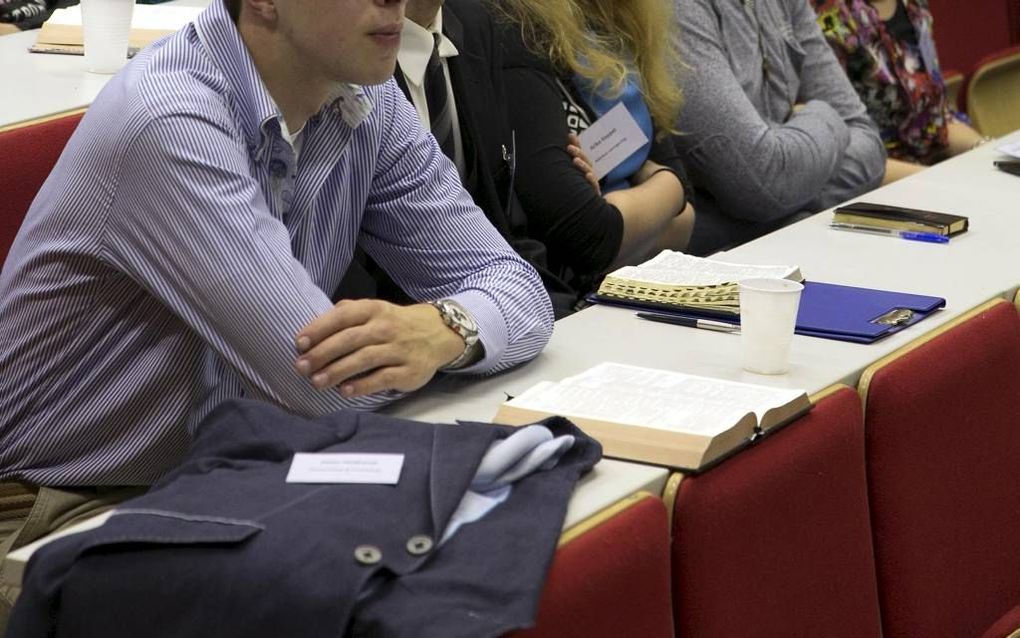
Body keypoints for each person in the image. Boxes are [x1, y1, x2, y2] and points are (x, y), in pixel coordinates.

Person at [0, 0, 553, 609]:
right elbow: (324, 387)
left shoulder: (367, 95)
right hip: (58, 509)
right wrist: (433, 340)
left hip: (233, 473)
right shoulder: (167, 119)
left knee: (491, 557)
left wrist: (447, 327)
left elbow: (518, 288)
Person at [349, 0, 581, 316]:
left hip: (480, 319)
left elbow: (503, 226)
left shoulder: (475, 24)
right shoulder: (350, 66)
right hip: (369, 330)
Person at [489, 0, 695, 305]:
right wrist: (666, 187)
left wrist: (656, 195)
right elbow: (591, 241)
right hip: (566, 304)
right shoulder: (514, 25)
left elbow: (686, 223)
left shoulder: (615, 20)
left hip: (640, 290)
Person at [672, 0, 887, 256]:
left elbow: (869, 145)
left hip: (781, 249)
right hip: (713, 271)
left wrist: (782, 193)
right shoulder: (679, 8)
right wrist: (824, 114)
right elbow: (762, 183)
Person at [810, 0, 987, 180]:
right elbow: (845, 159)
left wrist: (986, 150)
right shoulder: (826, 19)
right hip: (875, 187)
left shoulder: (915, 7)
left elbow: (938, 120)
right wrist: (941, 181)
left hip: (930, 174)